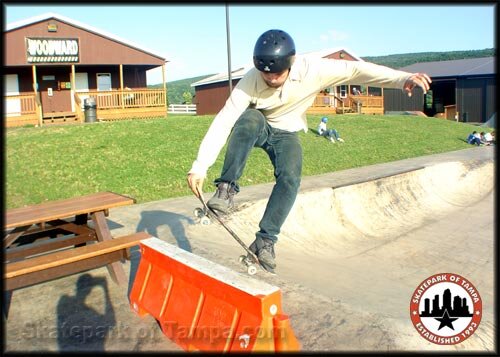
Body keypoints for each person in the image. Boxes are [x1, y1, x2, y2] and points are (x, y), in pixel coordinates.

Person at [186, 29, 432, 273]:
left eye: (277, 74)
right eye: (266, 74)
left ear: (290, 63)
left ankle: (266, 240)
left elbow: (357, 70)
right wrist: (199, 167)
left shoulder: (314, 69)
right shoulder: (251, 80)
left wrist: (401, 79)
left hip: (286, 133)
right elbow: (224, 120)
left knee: (291, 177)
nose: (270, 79)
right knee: (248, 118)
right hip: (260, 125)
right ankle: (226, 189)